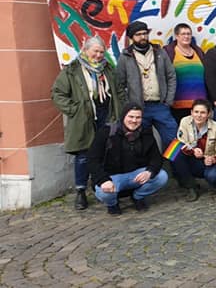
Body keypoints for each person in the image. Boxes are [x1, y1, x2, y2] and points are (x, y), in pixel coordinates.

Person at [51, 36, 123, 210]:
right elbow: (57, 94)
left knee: (105, 151)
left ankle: (100, 186)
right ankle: (81, 191)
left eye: (101, 51)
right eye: (95, 51)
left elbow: (119, 90)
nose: (98, 55)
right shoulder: (72, 70)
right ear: (85, 50)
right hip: (84, 118)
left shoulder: (108, 69)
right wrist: (74, 110)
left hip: (106, 115)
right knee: (83, 155)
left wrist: (119, 108)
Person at [88, 103, 169, 215]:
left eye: (138, 117)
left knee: (161, 176)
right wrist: (103, 180)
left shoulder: (146, 133)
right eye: (131, 117)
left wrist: (149, 171)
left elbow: (156, 158)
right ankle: (112, 204)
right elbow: (92, 160)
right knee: (103, 192)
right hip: (112, 177)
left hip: (136, 176)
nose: (134, 120)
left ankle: (138, 197)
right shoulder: (107, 132)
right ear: (123, 117)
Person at [116, 20, 178, 147]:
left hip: (161, 105)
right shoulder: (126, 56)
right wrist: (128, 105)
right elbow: (119, 84)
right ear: (131, 37)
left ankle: (172, 166)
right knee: (140, 141)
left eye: (145, 33)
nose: (143, 37)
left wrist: (168, 100)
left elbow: (171, 76)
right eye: (138, 34)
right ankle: (146, 167)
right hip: (138, 108)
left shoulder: (159, 52)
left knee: (172, 137)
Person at [171, 99, 216, 201]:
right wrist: (193, 151)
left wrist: (213, 159)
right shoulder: (185, 121)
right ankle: (191, 187)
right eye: (196, 112)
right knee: (173, 151)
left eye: (203, 112)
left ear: (208, 114)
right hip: (192, 158)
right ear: (191, 112)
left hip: (209, 162)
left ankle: (213, 184)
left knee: (213, 176)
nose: (199, 115)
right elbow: (180, 142)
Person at [163, 23, 206, 122]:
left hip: (200, 105)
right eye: (183, 34)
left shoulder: (198, 51)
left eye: (188, 34)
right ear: (177, 36)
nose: (186, 36)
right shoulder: (169, 52)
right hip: (178, 105)